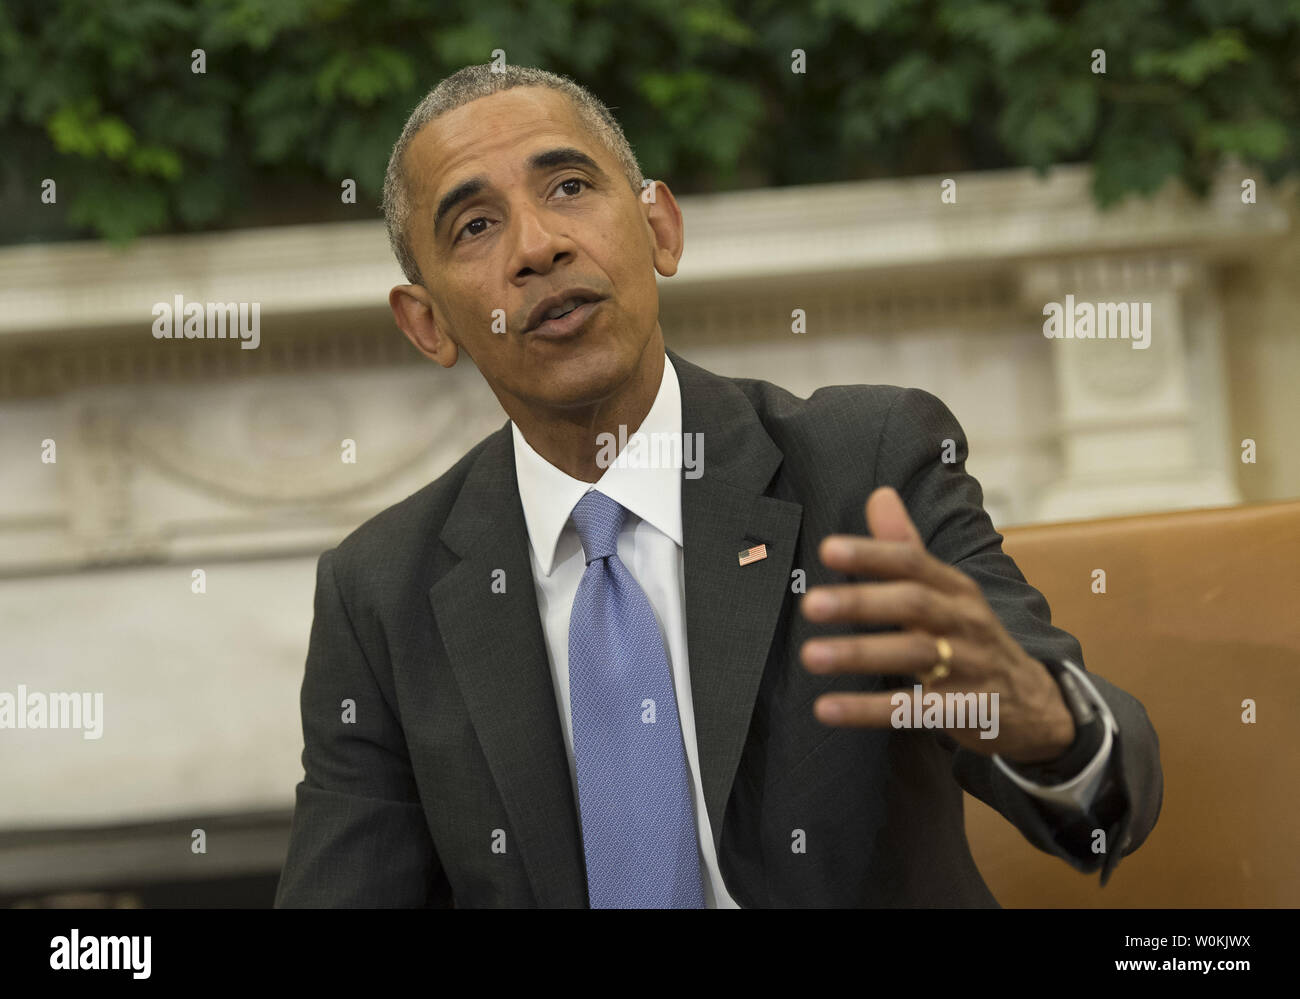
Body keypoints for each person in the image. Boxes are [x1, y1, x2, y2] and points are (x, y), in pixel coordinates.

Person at [274, 65, 1162, 908]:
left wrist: (1046, 721)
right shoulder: (381, 593)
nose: (537, 246)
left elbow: (1105, 810)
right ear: (427, 323)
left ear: (661, 227)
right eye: (474, 226)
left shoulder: (865, 464)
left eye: (571, 188)